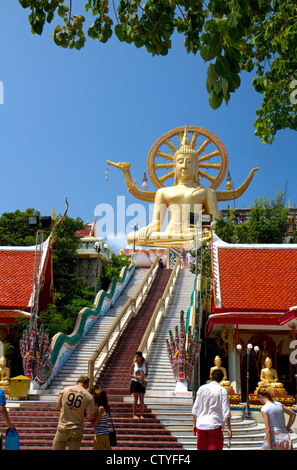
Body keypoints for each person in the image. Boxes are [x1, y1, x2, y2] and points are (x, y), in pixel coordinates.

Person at [126, 128, 219, 248]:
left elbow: (215, 222)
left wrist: (194, 220)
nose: (184, 166)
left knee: (211, 236)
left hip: (196, 234)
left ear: (197, 168)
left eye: (189, 162)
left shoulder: (207, 191)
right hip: (170, 234)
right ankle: (184, 243)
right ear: (174, 167)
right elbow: (157, 223)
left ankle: (186, 243)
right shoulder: (163, 192)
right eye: (180, 162)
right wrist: (148, 228)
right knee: (132, 238)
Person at [192, 369, 232, 450]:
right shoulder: (222, 390)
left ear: (211, 377)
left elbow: (195, 408)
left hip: (201, 425)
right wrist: (229, 428)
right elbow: (226, 411)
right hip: (215, 425)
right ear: (222, 378)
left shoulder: (201, 388)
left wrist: (194, 424)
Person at [52, 375, 95, 450]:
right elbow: (90, 416)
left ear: (77, 382)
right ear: (87, 384)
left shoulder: (65, 390)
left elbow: (57, 406)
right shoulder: (89, 397)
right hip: (76, 428)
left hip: (63, 427)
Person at [129, 351, 148, 420]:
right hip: (135, 382)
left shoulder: (144, 365)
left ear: (141, 357)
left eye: (137, 356)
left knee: (142, 399)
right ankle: (134, 414)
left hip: (141, 382)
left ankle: (141, 414)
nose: (136, 358)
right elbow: (130, 375)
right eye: (136, 356)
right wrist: (136, 377)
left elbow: (146, 374)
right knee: (135, 399)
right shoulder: (134, 365)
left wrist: (143, 376)